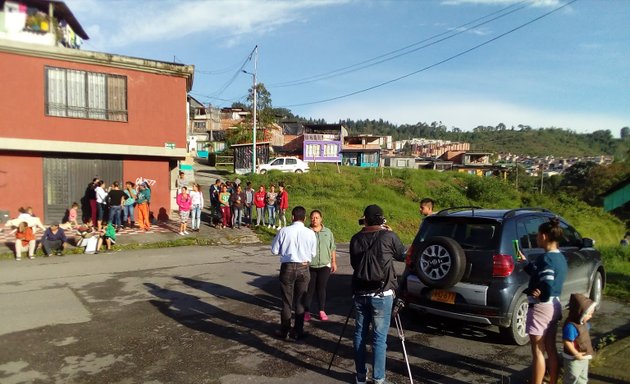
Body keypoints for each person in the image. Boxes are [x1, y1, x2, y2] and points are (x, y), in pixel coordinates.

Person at [350, 204, 406, 384]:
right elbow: (403, 255)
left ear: (365, 219)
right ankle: (378, 378)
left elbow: (354, 265)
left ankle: (360, 376)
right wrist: (389, 231)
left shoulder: (355, 238)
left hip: (360, 292)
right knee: (379, 338)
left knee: (359, 334)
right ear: (381, 219)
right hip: (382, 294)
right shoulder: (389, 236)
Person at [518, 217, 568, 384]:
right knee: (551, 349)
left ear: (545, 236)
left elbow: (547, 281)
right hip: (554, 305)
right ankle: (552, 381)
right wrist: (525, 263)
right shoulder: (560, 257)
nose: (537, 238)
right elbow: (542, 274)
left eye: (538, 236)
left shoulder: (545, 258)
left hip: (541, 308)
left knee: (538, 351)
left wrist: (542, 295)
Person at [271, 206, 317, 341]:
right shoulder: (310, 233)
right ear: (305, 217)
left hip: (288, 266)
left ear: (292, 217)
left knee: (286, 301)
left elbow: (274, 250)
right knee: (300, 301)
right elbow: (313, 254)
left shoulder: (284, 231)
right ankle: (298, 331)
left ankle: (284, 330)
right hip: (303, 267)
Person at [304, 210, 337, 322]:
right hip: (310, 265)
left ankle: (321, 310)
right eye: (313, 218)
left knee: (321, 288)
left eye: (317, 217)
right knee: (310, 289)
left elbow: (332, 247)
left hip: (324, 265)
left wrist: (333, 262)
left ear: (321, 219)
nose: (315, 220)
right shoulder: (306, 232)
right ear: (310, 219)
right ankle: (306, 311)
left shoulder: (328, 232)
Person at [562, 293, 597, 384]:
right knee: (571, 378)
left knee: (582, 379)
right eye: (589, 314)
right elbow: (567, 341)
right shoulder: (571, 327)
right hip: (573, 359)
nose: (591, 316)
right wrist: (575, 353)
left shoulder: (582, 323)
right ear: (580, 313)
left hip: (584, 357)